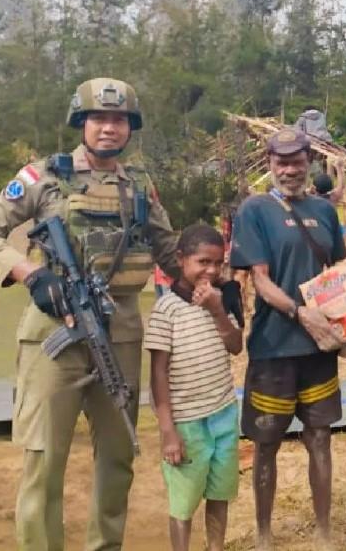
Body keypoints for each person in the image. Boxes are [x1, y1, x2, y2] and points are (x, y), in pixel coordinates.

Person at [0, 77, 179, 550]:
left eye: (119, 119)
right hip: (52, 336)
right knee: (44, 458)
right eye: (98, 118)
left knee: (118, 457)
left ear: (130, 128)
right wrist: (31, 274)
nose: (108, 128)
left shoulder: (140, 186)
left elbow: (170, 253)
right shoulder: (43, 177)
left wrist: (213, 279)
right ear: (81, 123)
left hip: (118, 333)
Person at [229, 128, 346, 550]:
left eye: (296, 161)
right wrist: (301, 314)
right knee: (266, 444)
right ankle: (263, 535)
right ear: (270, 164)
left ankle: (323, 531)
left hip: (319, 351)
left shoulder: (325, 211)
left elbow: (340, 277)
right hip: (273, 346)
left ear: (309, 161)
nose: (289, 169)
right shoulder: (254, 210)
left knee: (320, 437)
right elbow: (259, 280)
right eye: (280, 162)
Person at [144, 223, 244, 551]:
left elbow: (235, 346)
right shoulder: (165, 310)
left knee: (219, 493)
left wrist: (217, 309)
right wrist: (167, 430)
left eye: (218, 263)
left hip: (224, 414)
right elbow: (158, 374)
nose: (211, 270)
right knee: (183, 503)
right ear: (181, 259)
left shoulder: (222, 300)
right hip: (187, 422)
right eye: (203, 262)